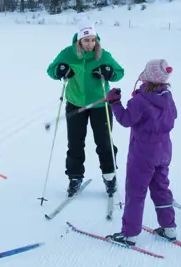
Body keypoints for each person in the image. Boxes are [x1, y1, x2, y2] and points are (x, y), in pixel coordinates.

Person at [46, 25, 125, 197]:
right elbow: (51, 70)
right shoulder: (68, 53)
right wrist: (59, 70)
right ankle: (75, 177)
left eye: (93, 40)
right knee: (75, 143)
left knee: (104, 142)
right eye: (86, 40)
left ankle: (109, 176)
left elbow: (120, 73)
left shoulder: (104, 55)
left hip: (100, 105)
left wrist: (109, 71)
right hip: (75, 104)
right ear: (79, 41)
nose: (90, 44)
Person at [105, 59, 178, 246]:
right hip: (163, 151)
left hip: (143, 153)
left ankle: (129, 234)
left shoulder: (140, 101)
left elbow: (125, 119)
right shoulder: (168, 97)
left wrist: (115, 103)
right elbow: (173, 117)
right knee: (161, 188)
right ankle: (169, 228)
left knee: (136, 192)